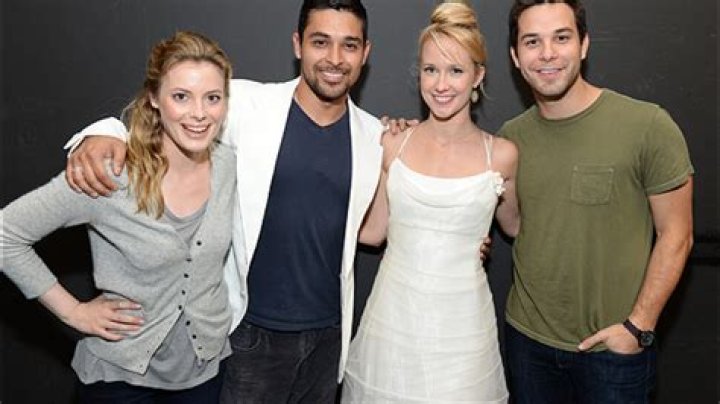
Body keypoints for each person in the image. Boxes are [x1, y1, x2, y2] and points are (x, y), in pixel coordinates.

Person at [61, 1, 385, 402]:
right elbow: (170, 116)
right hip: (248, 333)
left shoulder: (373, 135)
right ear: (298, 44)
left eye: (349, 45)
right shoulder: (246, 104)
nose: (335, 58)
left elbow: (373, 230)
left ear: (365, 53)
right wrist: (105, 132)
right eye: (321, 42)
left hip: (328, 338)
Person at [1, 31, 236, 403]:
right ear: (154, 98)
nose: (199, 113)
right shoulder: (109, 174)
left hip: (204, 372)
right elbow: (5, 234)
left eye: (213, 98)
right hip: (120, 381)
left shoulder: (227, 165)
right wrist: (73, 312)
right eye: (181, 96)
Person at [499, 1, 694, 403]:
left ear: (584, 44)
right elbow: (513, 225)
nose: (548, 53)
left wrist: (638, 327)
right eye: (532, 42)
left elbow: (677, 235)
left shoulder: (648, 126)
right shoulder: (509, 139)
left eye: (561, 37)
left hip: (613, 354)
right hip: (527, 344)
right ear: (516, 57)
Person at [341, 2, 518, 403]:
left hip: (464, 334)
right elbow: (373, 232)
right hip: (393, 327)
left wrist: (474, 235)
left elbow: (514, 225)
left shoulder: (503, 155)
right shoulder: (393, 143)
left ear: (478, 76)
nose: (441, 84)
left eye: (456, 70)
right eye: (430, 69)